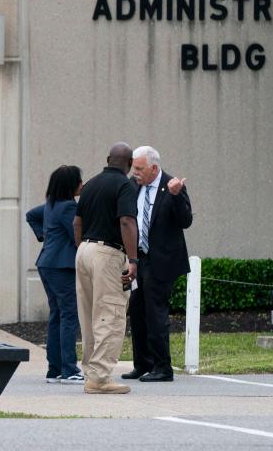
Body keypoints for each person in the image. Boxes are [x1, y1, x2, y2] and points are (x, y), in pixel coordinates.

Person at [122, 146, 192, 383]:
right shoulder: (134, 186)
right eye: (134, 168)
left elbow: (186, 221)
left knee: (156, 314)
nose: (135, 173)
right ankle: (142, 364)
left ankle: (163, 367)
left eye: (140, 169)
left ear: (154, 168)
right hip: (139, 259)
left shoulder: (172, 185)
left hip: (160, 260)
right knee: (138, 312)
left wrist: (177, 195)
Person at [73, 142, 139, 394]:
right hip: (108, 253)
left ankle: (91, 371)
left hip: (85, 251)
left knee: (90, 314)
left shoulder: (90, 185)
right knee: (111, 313)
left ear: (107, 159)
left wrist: (81, 248)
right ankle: (100, 378)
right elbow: (126, 221)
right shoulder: (125, 185)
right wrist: (133, 260)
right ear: (130, 164)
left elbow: (77, 222)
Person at [26, 165, 84, 385]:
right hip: (61, 266)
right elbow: (77, 234)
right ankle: (69, 370)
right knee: (69, 315)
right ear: (71, 185)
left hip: (47, 263)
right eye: (79, 181)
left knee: (57, 315)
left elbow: (31, 215)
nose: (81, 184)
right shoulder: (68, 207)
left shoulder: (52, 205)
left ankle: (55, 369)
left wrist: (43, 235)